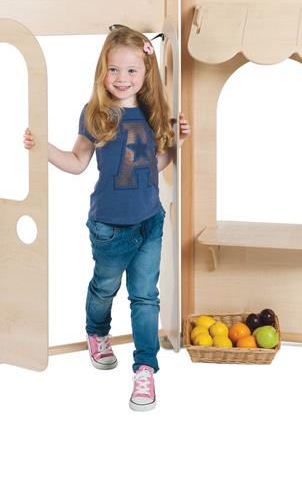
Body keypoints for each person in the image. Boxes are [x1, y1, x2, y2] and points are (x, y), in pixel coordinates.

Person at [23, 25, 190, 411]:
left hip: (150, 222)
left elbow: (153, 164)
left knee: (146, 297)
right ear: (103, 72)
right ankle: (96, 333)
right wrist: (42, 147)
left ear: (146, 75)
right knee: (104, 287)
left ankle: (145, 369)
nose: (122, 78)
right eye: (114, 70)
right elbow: (77, 162)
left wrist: (176, 144)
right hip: (110, 228)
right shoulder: (96, 113)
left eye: (132, 70)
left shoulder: (154, 113)